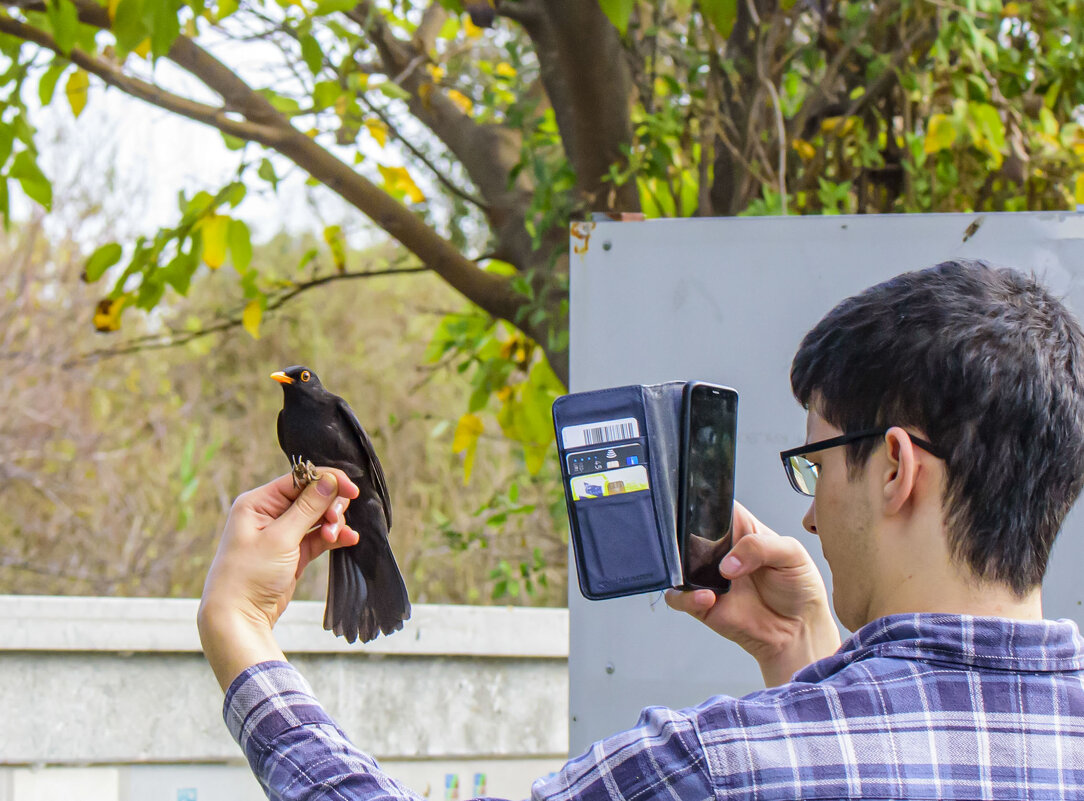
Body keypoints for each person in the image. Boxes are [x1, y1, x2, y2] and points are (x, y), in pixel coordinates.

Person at [198, 259, 1084, 800]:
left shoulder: (716, 766)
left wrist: (239, 630)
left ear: (896, 467)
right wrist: (801, 651)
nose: (808, 513)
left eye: (815, 464)